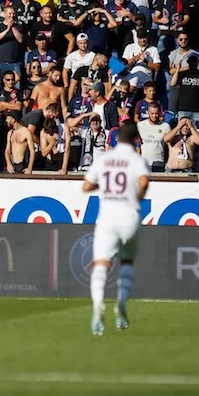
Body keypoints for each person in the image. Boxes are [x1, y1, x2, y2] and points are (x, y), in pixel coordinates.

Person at [82, 122, 150, 336]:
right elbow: (144, 182)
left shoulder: (104, 158)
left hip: (108, 217)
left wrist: (102, 185)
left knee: (101, 264)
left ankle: (97, 307)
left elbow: (86, 186)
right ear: (136, 139)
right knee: (126, 262)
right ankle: (120, 304)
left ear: (117, 137)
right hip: (129, 215)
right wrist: (138, 195)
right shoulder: (137, 160)